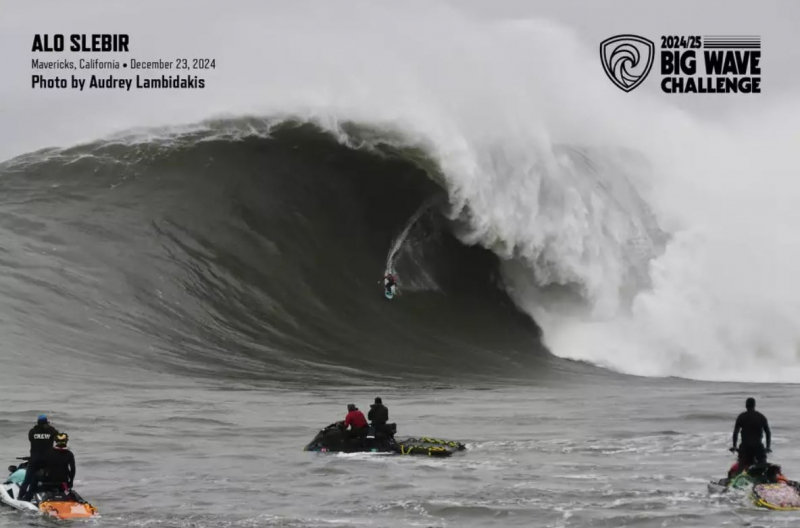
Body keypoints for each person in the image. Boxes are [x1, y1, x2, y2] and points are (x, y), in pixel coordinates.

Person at [18, 414, 59, 502]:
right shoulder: (52, 431)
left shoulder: (32, 431)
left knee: (27, 480)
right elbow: (58, 438)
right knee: (49, 479)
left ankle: (21, 497)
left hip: (34, 459)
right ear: (46, 422)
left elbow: (31, 439)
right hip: (47, 461)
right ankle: (52, 496)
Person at [730, 397, 771, 473]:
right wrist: (768, 447)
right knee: (762, 466)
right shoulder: (761, 417)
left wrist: (734, 446)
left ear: (746, 405)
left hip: (745, 446)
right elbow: (768, 433)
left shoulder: (741, 417)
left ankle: (738, 480)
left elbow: (735, 432)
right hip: (758, 446)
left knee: (741, 467)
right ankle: (765, 481)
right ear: (754, 405)